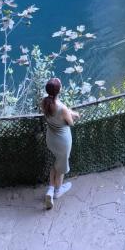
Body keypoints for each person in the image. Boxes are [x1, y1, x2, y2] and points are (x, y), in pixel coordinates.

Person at [41, 77, 79, 209]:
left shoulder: (45, 102)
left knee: (57, 162)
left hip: (51, 139)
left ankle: (50, 190)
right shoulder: (61, 108)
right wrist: (75, 114)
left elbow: (61, 112)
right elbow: (71, 122)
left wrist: (69, 112)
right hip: (62, 141)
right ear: (59, 90)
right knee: (62, 167)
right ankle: (58, 191)